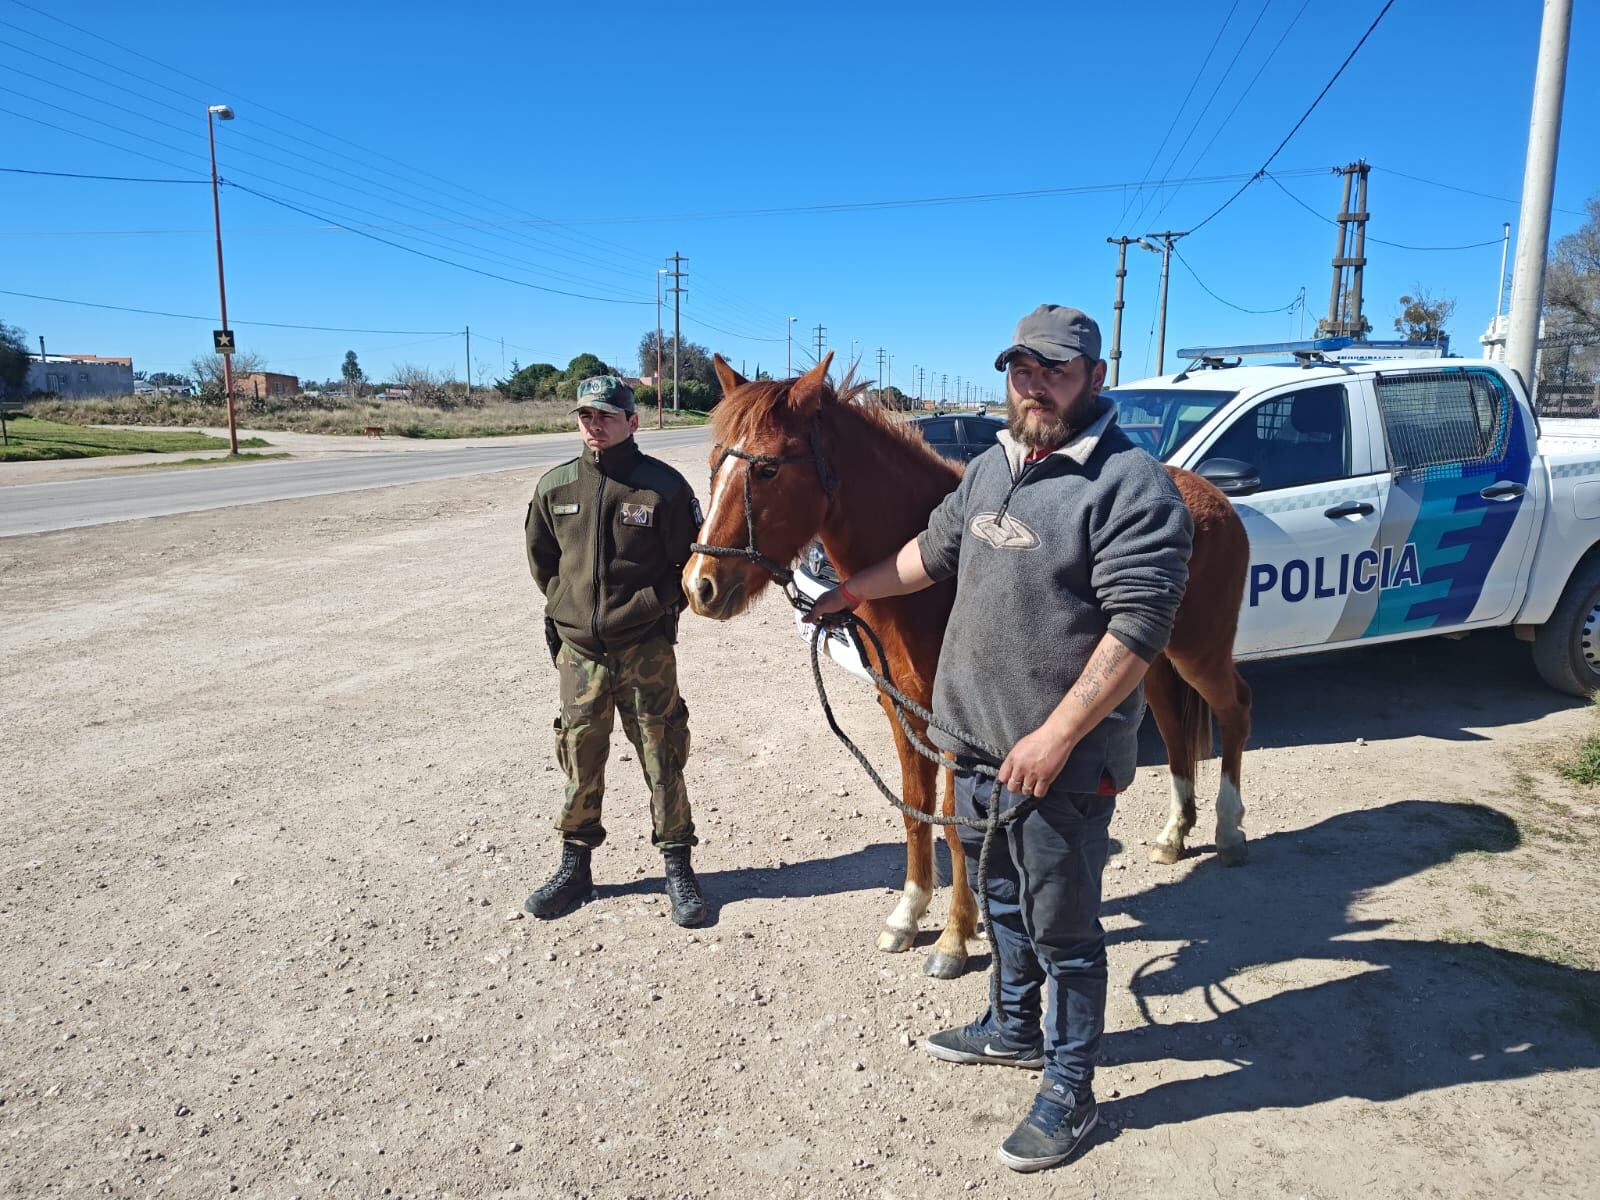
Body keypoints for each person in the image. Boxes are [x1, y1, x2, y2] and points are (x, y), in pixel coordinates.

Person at [806, 305, 1193, 1173]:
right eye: (1021, 369)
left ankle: (1070, 1083)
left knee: (1064, 924)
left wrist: (1058, 736)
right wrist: (847, 593)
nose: (1034, 384)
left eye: (1054, 370)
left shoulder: (1133, 487)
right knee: (1001, 897)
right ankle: (1014, 1024)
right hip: (972, 746)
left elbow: (1138, 628)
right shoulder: (990, 469)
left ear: (1095, 375)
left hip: (1062, 759)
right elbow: (928, 556)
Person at [523, 374, 706, 927]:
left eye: (605, 415)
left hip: (645, 648)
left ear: (632, 421)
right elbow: (543, 563)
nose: (593, 425)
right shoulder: (555, 488)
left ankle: (679, 867)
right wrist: (567, 612)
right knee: (579, 758)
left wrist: (647, 604)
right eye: (585, 416)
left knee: (662, 756)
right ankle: (574, 867)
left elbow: (690, 568)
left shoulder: (663, 489)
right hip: (580, 655)